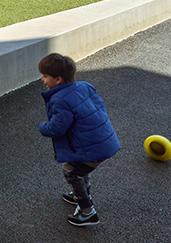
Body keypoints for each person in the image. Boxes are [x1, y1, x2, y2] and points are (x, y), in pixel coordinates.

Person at [38, 53, 120, 227]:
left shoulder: (60, 100)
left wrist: (42, 127)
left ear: (58, 79)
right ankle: (79, 195)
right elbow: (99, 107)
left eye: (45, 76)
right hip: (103, 140)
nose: (43, 80)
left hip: (94, 147)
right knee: (80, 168)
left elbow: (56, 129)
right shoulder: (84, 86)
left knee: (71, 171)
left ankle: (88, 212)